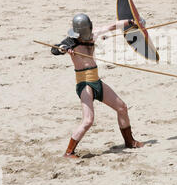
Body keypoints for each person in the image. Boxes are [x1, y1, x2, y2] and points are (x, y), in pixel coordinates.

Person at [51, 13, 144, 158]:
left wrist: (132, 21)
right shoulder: (71, 41)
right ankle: (69, 152)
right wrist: (63, 48)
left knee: (122, 107)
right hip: (84, 84)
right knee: (88, 120)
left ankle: (129, 142)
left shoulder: (93, 35)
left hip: (96, 80)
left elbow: (113, 26)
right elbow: (55, 49)